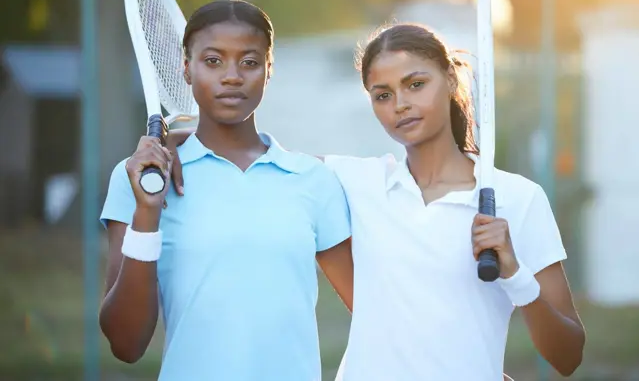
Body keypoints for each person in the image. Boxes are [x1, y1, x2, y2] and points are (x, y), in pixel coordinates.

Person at [168, 23, 586, 380]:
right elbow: (259, 156)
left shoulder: (518, 198)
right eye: (382, 95)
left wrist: (513, 272)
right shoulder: (355, 182)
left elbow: (567, 356)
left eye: (416, 84)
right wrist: (176, 137)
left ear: (451, 80)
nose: (400, 105)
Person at [98, 0, 354, 381]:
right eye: (213, 61)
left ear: (270, 70)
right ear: (186, 69)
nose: (232, 76)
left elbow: (370, 311)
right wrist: (147, 213)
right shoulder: (138, 177)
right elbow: (126, 344)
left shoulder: (313, 180)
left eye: (249, 62)